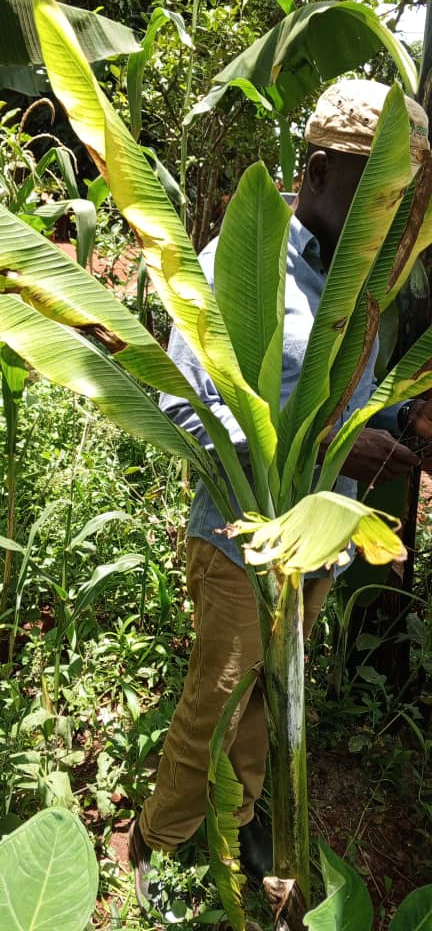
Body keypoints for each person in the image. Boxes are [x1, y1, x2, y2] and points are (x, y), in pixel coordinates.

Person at [129, 78, 432, 905]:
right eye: (379, 198)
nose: (393, 224)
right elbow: (179, 409)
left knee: (270, 695)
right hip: (239, 539)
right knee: (217, 702)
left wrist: (404, 420)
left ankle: (246, 817)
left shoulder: (357, 289)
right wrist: (337, 443)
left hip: (318, 541)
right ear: (322, 175)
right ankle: (163, 845)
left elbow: (348, 393)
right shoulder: (248, 261)